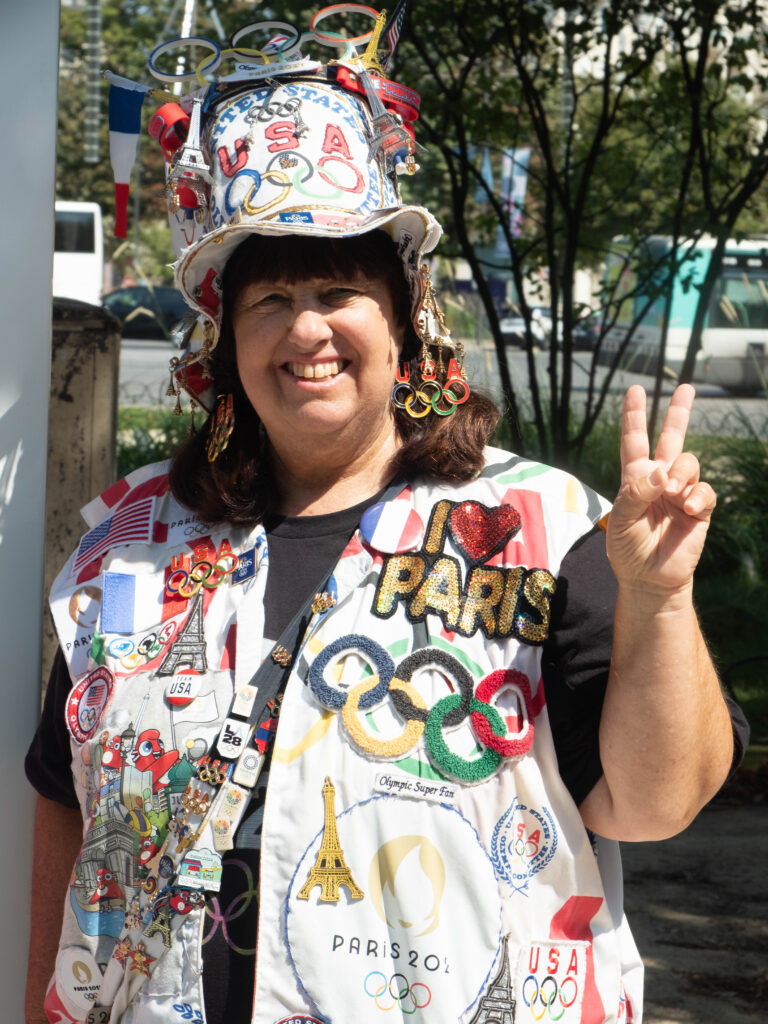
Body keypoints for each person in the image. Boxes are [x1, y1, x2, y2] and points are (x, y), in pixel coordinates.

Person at [26, 11, 748, 1024]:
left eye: (339, 290)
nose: (306, 328)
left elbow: (658, 802)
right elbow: (65, 799)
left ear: (406, 326)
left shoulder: (542, 530)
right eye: (269, 296)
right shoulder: (127, 540)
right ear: (226, 338)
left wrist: (660, 599)